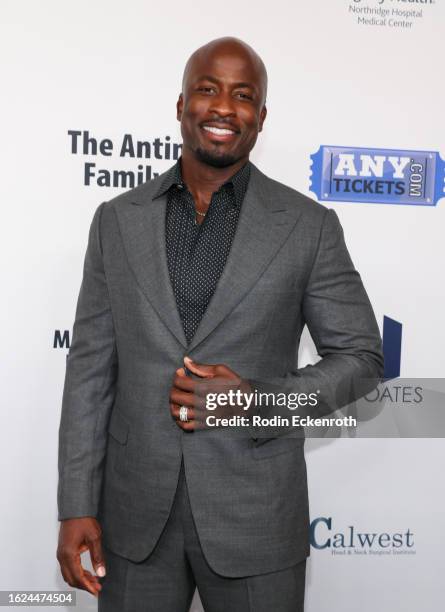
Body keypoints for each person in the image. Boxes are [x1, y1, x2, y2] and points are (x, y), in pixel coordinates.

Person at [56, 36, 383, 611]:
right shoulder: (116, 221)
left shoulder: (307, 226)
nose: (224, 107)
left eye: (243, 95)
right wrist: (76, 503)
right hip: (135, 519)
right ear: (180, 106)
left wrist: (255, 403)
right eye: (207, 90)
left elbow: (361, 360)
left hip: (255, 518)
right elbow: (89, 370)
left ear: (260, 118)